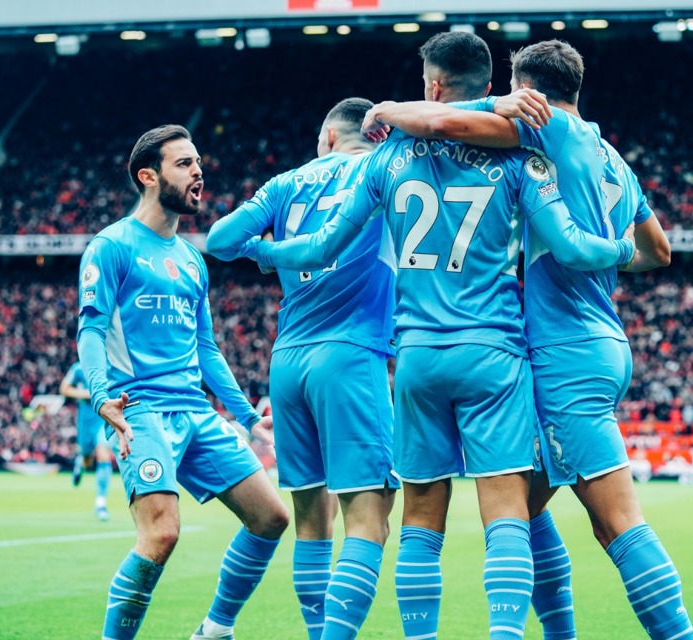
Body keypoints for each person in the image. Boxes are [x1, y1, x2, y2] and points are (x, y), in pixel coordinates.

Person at [240, 32, 636, 640]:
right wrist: (620, 246)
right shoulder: (519, 157)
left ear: (432, 86)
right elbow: (571, 245)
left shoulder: (386, 160)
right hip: (493, 353)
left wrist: (263, 250)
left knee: (421, 524)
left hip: (418, 358)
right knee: (508, 517)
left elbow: (321, 246)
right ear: (493, 88)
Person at [362, 39, 693, 640]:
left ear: (530, 95)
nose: (503, 106)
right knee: (526, 508)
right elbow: (660, 252)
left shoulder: (550, 135)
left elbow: (443, 119)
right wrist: (612, 259)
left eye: (511, 96)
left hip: (564, 351)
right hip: (596, 338)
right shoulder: (612, 155)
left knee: (617, 524)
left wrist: (383, 109)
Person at [76, 124, 289, 640]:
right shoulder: (112, 247)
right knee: (161, 535)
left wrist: (245, 417)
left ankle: (214, 631)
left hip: (195, 410)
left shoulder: (192, 259)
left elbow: (207, 349)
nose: (199, 172)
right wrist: (103, 397)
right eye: (184, 164)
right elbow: (91, 330)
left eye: (198, 163)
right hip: (140, 409)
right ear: (148, 176)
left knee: (271, 518)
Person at [206, 98, 398, 640]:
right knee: (369, 521)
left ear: (328, 136)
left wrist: (268, 253)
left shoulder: (288, 182)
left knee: (312, 523)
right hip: (352, 354)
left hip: (288, 361)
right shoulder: (384, 166)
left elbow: (220, 241)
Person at [60, 360, 113, 521]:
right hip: (85, 421)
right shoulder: (78, 368)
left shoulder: (110, 367)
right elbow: (64, 388)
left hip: (102, 419)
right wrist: (86, 394)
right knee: (87, 459)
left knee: (103, 454)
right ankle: (80, 465)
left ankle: (100, 503)